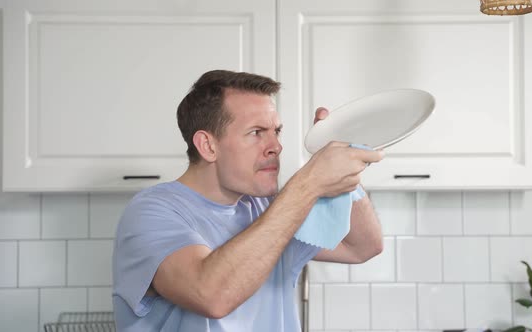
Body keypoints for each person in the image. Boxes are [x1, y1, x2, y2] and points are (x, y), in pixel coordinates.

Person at [112, 70, 384, 331]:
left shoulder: (270, 208)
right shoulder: (151, 213)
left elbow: (362, 247)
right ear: (208, 146)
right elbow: (211, 295)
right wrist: (309, 183)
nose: (276, 146)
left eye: (276, 131)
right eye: (256, 132)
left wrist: (344, 166)